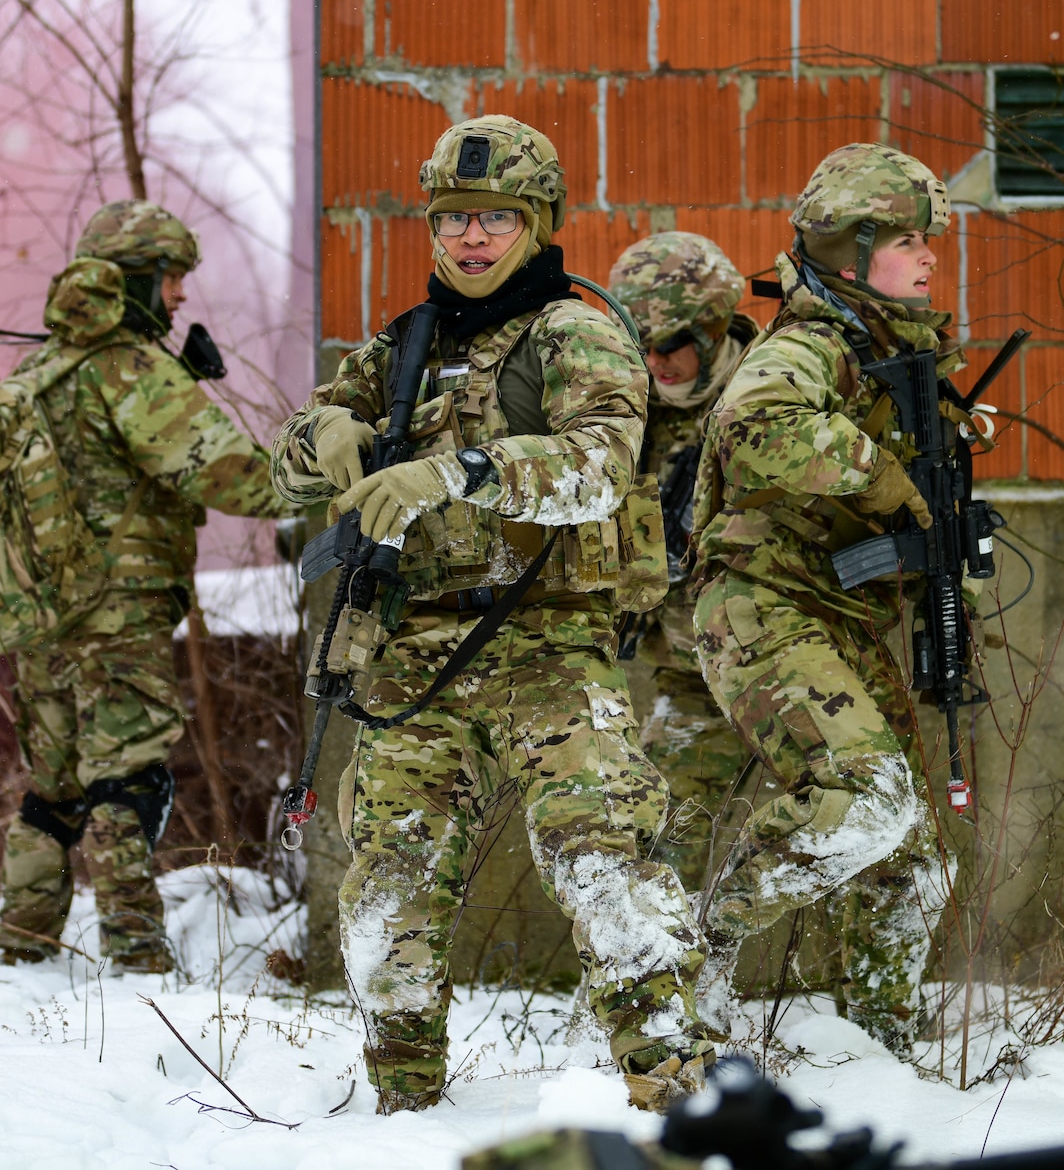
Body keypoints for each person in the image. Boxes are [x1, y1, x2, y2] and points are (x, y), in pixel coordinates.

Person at [270, 116, 714, 1115]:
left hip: (548, 642)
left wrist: (464, 468)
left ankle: (677, 1093)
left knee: (601, 857)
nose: (472, 239)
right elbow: (281, 458)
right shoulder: (401, 344)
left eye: (496, 219)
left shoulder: (574, 330)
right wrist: (323, 433)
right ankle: (402, 1105)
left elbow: (601, 463)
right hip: (416, 652)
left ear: (537, 223)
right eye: (455, 218)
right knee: (386, 884)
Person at [688, 143, 976, 1058]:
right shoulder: (814, 343)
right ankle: (696, 943)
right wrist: (882, 475)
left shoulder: (892, 351)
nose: (929, 254)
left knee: (913, 857)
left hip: (838, 615)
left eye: (928, 238)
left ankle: (881, 1047)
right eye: (904, 239)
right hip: (760, 604)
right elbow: (753, 427)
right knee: (868, 793)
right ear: (850, 253)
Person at [0, 200, 288, 973]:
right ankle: (135, 959)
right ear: (133, 283)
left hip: (40, 618)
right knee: (126, 783)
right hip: (117, 617)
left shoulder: (35, 369)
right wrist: (319, 485)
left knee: (50, 790)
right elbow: (226, 470)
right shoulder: (130, 369)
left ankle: (20, 952)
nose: (180, 297)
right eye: (169, 280)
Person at [606, 233, 756, 892]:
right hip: (690, 676)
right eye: (640, 345)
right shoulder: (628, 413)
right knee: (658, 841)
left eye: (671, 345)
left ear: (713, 328)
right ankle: (657, 986)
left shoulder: (769, 399)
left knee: (855, 830)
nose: (655, 363)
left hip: (794, 665)